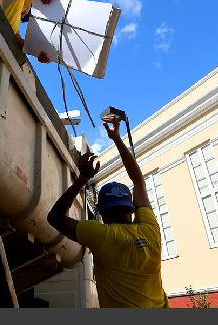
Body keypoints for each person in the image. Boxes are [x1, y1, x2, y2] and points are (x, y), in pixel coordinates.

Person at [47, 114, 170, 308]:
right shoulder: (151, 229)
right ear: (131, 207)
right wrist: (117, 140)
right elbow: (139, 181)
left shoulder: (103, 235)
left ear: (102, 213)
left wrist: (82, 178)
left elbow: (54, 217)